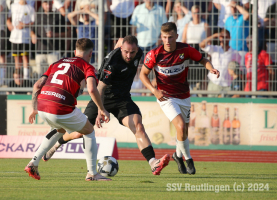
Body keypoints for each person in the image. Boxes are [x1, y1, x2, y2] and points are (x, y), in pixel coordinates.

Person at [43, 36, 170, 176]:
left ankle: (153, 163)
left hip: (122, 98)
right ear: (121, 49)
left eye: (132, 52)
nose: (129, 55)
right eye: (126, 52)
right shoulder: (112, 63)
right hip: (102, 97)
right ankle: (56, 145)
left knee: (138, 126)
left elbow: (122, 39)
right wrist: (100, 110)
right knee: (80, 132)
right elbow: (100, 88)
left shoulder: (138, 52)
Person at [24, 38, 111, 181]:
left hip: (42, 105)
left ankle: (33, 162)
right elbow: (91, 88)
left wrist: (34, 109)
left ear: (75, 51)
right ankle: (92, 173)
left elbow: (37, 86)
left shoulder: (57, 63)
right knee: (89, 131)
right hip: (59, 107)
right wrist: (101, 109)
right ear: (91, 53)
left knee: (59, 129)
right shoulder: (87, 67)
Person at [140, 22, 220, 175]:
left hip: (184, 96)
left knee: (183, 132)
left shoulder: (185, 50)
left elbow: (203, 60)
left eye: (170, 37)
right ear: (161, 37)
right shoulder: (154, 54)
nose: (167, 41)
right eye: (164, 37)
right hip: (165, 97)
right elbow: (143, 74)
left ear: (176, 36)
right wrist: (154, 91)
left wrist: (212, 68)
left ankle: (177, 155)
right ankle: (188, 159)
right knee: (181, 126)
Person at [199, 29, 241, 97]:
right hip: (214, 83)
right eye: (222, 36)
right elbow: (201, 44)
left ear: (230, 38)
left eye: (226, 37)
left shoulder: (235, 53)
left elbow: (238, 69)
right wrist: (214, 35)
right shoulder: (215, 49)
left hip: (227, 85)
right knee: (211, 105)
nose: (224, 38)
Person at [30, 0, 67, 77]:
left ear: (52, 4)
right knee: (41, 77)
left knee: (54, 76)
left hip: (54, 51)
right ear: (42, 4)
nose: (48, 6)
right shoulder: (38, 16)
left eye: (49, 3)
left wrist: (54, 35)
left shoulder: (58, 16)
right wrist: (33, 35)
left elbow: (66, 33)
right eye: (45, 3)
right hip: (40, 51)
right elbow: (32, 31)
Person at [7, 0, 35, 79]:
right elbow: (8, 18)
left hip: (25, 37)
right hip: (14, 37)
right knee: (17, 58)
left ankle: (26, 77)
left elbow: (33, 22)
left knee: (25, 57)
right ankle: (18, 77)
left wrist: (24, 25)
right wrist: (9, 24)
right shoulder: (13, 6)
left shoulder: (30, 8)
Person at [224, 0, 249, 66]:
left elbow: (247, 15)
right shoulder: (228, 19)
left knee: (242, 72)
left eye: (235, 7)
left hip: (242, 50)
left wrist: (236, 5)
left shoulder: (242, 18)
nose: (233, 9)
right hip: (230, 51)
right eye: (232, 7)